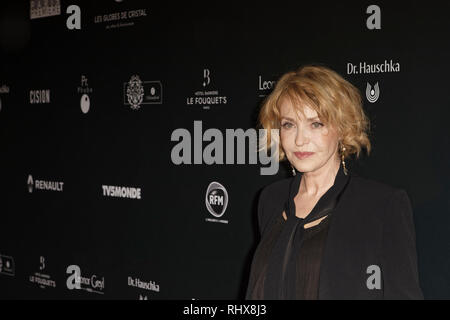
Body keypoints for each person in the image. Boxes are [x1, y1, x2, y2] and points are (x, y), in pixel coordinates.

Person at [245, 64, 423, 299]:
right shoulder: (271, 199)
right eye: (289, 125)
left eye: (315, 124)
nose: (300, 140)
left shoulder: (381, 205)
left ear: (341, 128)